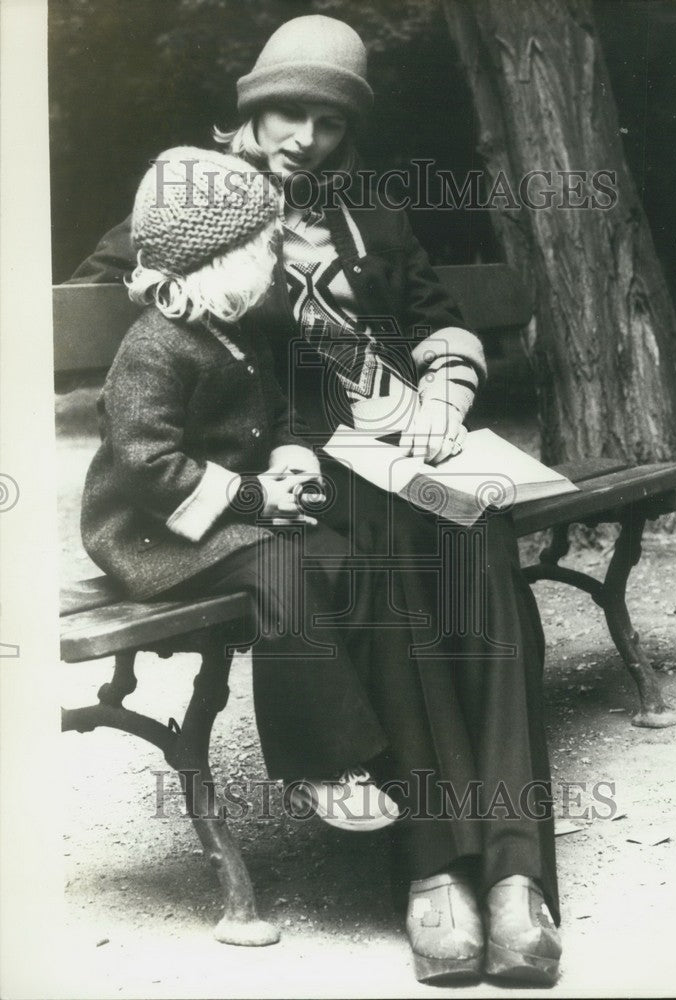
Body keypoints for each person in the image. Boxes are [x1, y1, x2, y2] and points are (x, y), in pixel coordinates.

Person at [71, 15, 562, 987]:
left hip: (396, 440)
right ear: (252, 110)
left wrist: (441, 396)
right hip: (293, 463)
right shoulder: (195, 198)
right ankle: (433, 869)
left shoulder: (368, 210)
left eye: (329, 122)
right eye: (288, 113)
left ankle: (513, 873)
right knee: (388, 551)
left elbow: (433, 319)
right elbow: (121, 302)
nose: (306, 137)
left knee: (477, 535)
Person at [80, 145, 402, 832]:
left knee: (342, 560)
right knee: (283, 572)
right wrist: (255, 497)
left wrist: (292, 457)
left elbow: (276, 411)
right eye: (263, 248)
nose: (275, 261)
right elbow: (146, 465)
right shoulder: (155, 347)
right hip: (153, 533)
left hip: (227, 516)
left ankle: (376, 741)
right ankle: (319, 765)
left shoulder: (230, 327)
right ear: (218, 259)